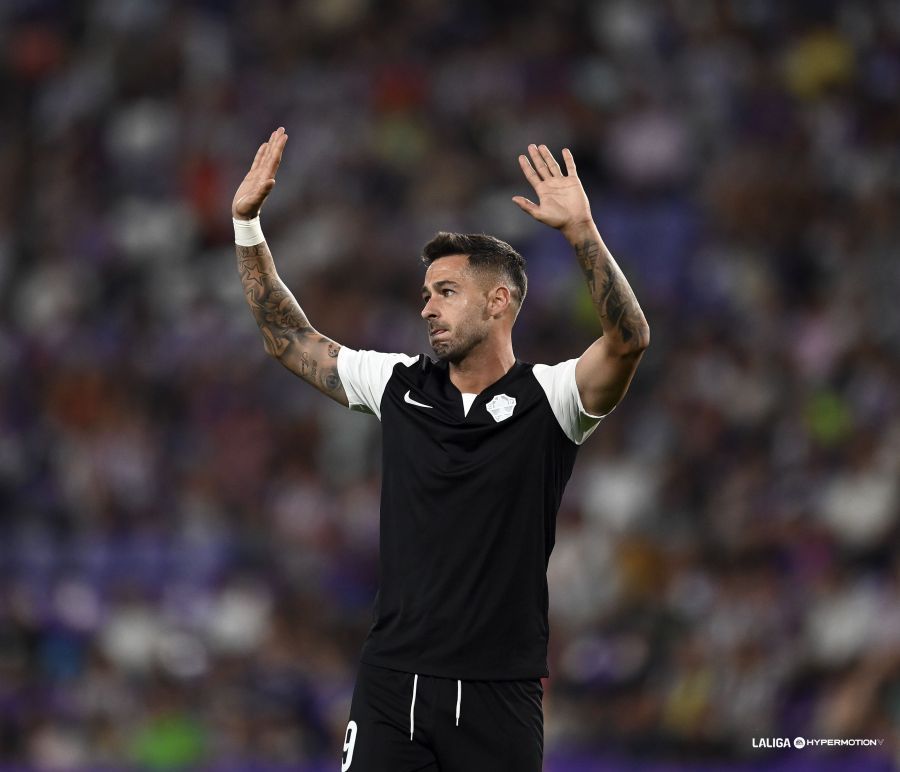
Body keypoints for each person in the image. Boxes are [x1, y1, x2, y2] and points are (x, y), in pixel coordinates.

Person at [232, 127, 649, 772]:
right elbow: (288, 338)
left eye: (446, 292)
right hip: (392, 683)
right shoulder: (398, 384)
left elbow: (627, 342)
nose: (427, 307)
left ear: (498, 300)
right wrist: (247, 225)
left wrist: (582, 235)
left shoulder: (553, 398)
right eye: (426, 294)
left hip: (499, 693)